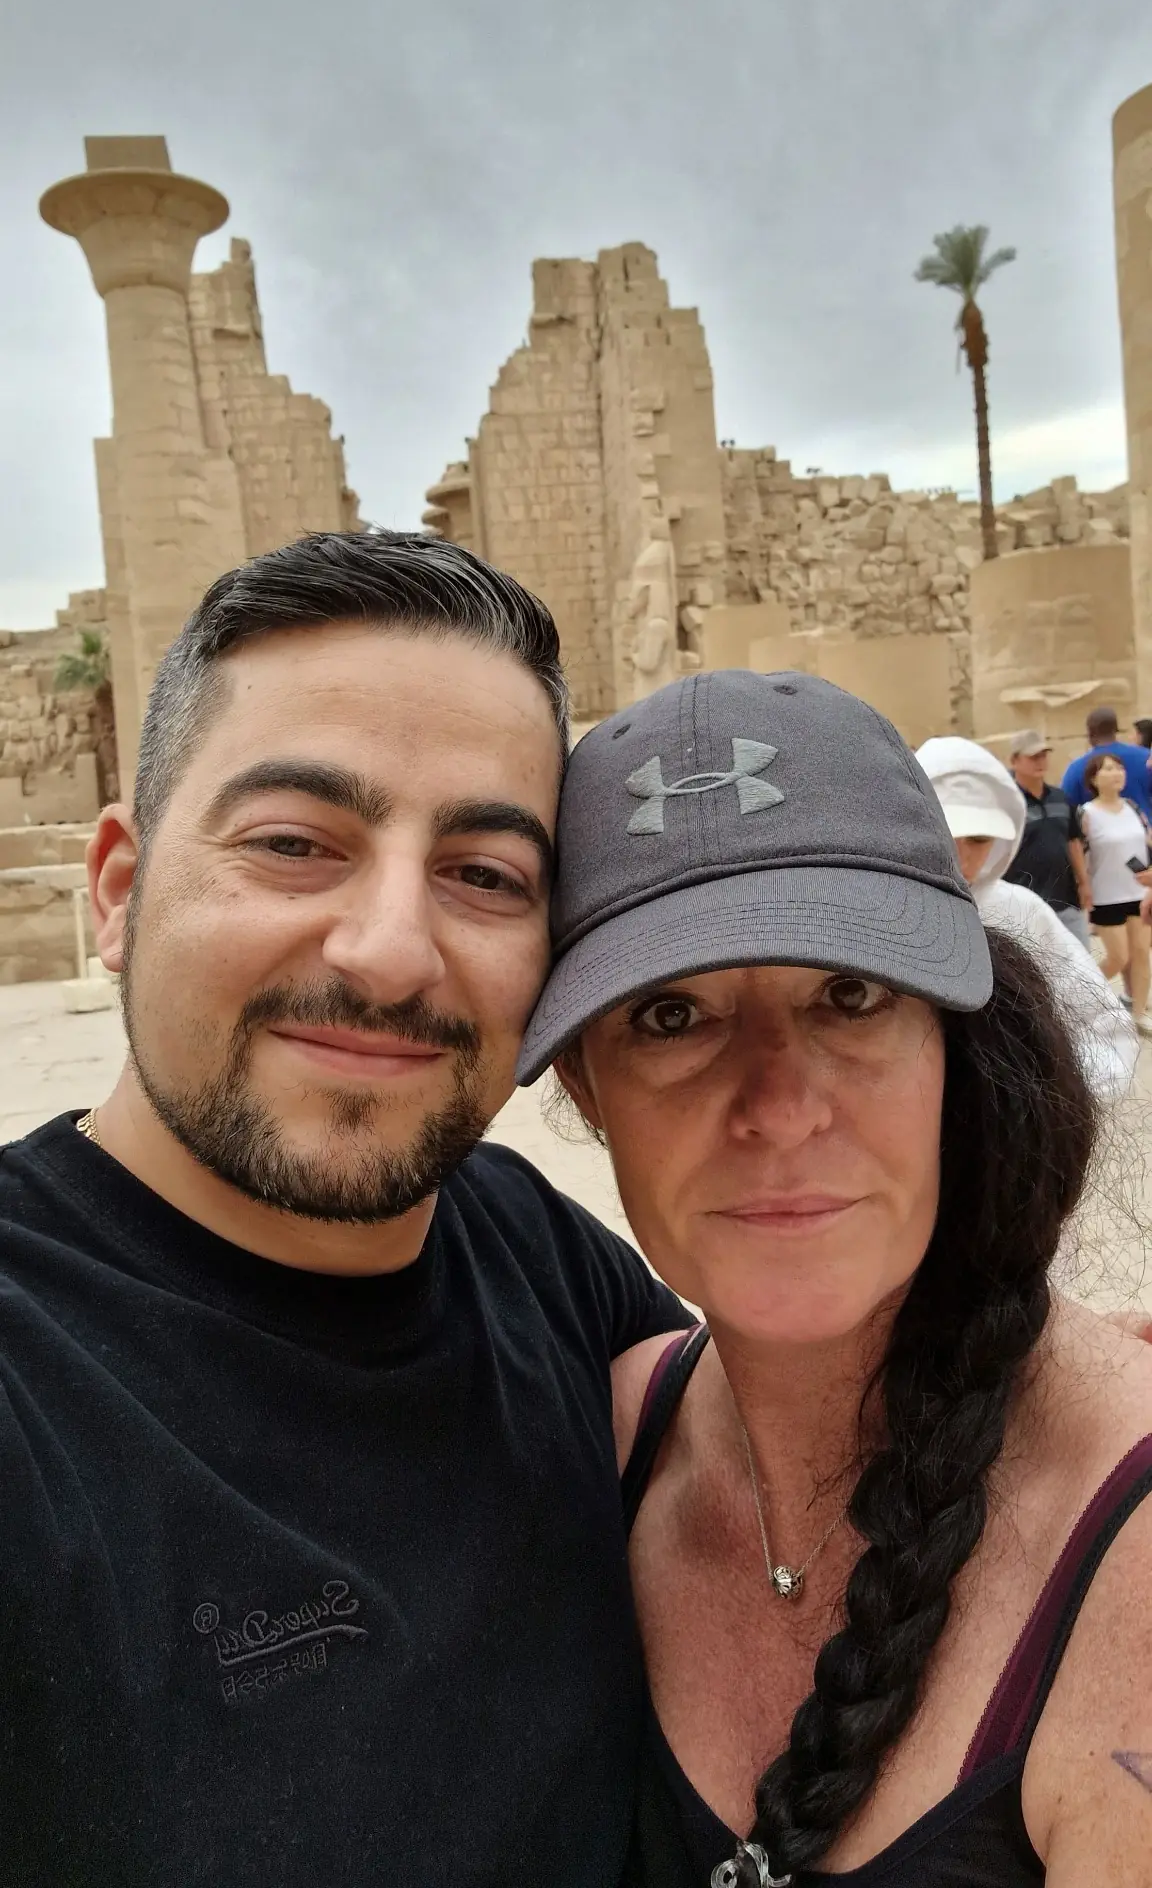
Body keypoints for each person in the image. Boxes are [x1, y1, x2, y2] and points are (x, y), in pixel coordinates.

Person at [0, 532, 688, 1887]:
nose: (388, 951)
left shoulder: (528, 1243)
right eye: (296, 844)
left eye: (486, 873)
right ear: (120, 892)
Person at [519, 668, 1152, 1887]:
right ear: (587, 1092)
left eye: (850, 993)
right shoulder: (606, 1441)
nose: (779, 1107)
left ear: (951, 1046)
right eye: (669, 1016)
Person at [916, 735, 1139, 1087]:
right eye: (946, 832)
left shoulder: (1020, 911)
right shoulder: (879, 909)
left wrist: (1054, 1108)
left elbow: (1102, 1023)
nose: (962, 857)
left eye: (978, 839)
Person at [1077, 749, 1152, 1033]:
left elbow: (1148, 841)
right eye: (1108, 769)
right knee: (1118, 957)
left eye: (1119, 768)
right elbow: (1080, 856)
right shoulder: (1086, 813)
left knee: (1142, 953)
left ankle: (1139, 1013)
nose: (1116, 773)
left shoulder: (1132, 807)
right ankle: (1078, 998)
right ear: (1094, 778)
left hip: (1138, 893)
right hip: (1105, 895)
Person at [1001, 728, 1093, 948]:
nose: (1040, 762)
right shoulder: (1008, 803)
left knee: (1082, 965)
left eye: (1043, 755)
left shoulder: (1061, 798)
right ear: (1015, 760)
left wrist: (1084, 882)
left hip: (1067, 900)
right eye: (1033, 757)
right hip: (1026, 904)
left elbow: (1073, 840)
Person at [1061, 702, 1152, 816]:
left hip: (1099, 831)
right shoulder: (1146, 757)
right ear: (1116, 729)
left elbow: (1066, 809)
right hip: (1144, 829)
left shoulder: (1077, 768)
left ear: (1090, 732)